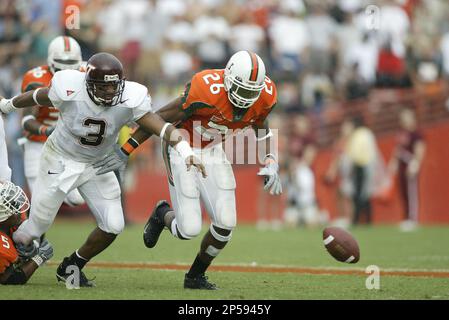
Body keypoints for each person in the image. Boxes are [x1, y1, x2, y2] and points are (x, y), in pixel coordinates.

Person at [0, 52, 205, 287]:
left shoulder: (131, 96)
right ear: (88, 82)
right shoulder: (69, 86)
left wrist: (185, 149)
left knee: (113, 225)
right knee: (33, 230)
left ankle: (72, 266)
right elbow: (39, 96)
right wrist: (8, 104)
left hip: (98, 164)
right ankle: (7, 254)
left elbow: (160, 125)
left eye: (113, 87)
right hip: (60, 159)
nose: (109, 92)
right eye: (103, 87)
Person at [95, 50, 282, 290]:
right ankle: (162, 214)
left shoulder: (265, 95)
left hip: (213, 151)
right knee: (188, 229)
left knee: (225, 225)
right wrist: (126, 150)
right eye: (241, 89)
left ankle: (194, 276)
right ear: (228, 78)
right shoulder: (204, 89)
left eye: (251, 92)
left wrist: (270, 160)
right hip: (181, 146)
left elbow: (261, 125)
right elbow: (158, 117)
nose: (245, 97)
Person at [20, 35, 86, 207]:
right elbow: (26, 119)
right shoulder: (36, 78)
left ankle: (55, 185)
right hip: (38, 144)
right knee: (39, 204)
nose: (65, 70)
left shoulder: (88, 74)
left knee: (76, 199)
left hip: (68, 146)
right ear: (50, 60)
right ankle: (37, 233)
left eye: (71, 64)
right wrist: (48, 130)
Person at [0, 180, 54, 285]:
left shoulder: (9, 222)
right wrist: (39, 257)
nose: (18, 207)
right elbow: (9, 279)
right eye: (11, 205)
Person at [389, 108, 426, 231]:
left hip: (410, 163)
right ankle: (406, 218)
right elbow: (398, 149)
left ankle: (413, 219)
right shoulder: (401, 132)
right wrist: (393, 162)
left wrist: (415, 163)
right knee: (403, 192)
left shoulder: (416, 133)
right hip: (402, 165)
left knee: (411, 193)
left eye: (407, 117)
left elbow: (420, 148)